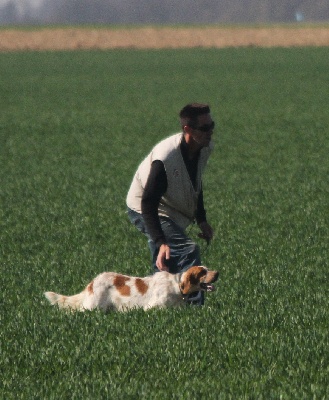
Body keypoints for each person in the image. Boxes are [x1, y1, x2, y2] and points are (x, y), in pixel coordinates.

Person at [126, 103, 215, 305]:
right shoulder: (166, 158)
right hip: (144, 207)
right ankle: (194, 306)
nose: (210, 132)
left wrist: (202, 219)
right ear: (187, 130)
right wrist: (160, 241)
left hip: (169, 208)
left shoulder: (204, 148)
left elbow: (195, 183)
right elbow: (148, 203)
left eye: (212, 126)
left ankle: (155, 307)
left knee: (164, 265)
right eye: (204, 128)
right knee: (187, 250)